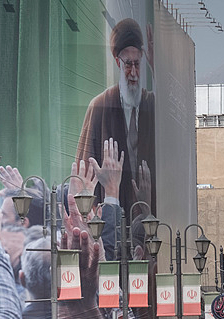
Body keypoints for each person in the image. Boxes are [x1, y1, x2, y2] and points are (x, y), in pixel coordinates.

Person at [76, 18, 156, 223]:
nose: (133, 73)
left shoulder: (152, 104)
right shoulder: (99, 107)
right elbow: (83, 179)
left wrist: (157, 71)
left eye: (137, 64)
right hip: (110, 223)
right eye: (128, 65)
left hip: (150, 223)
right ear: (118, 62)